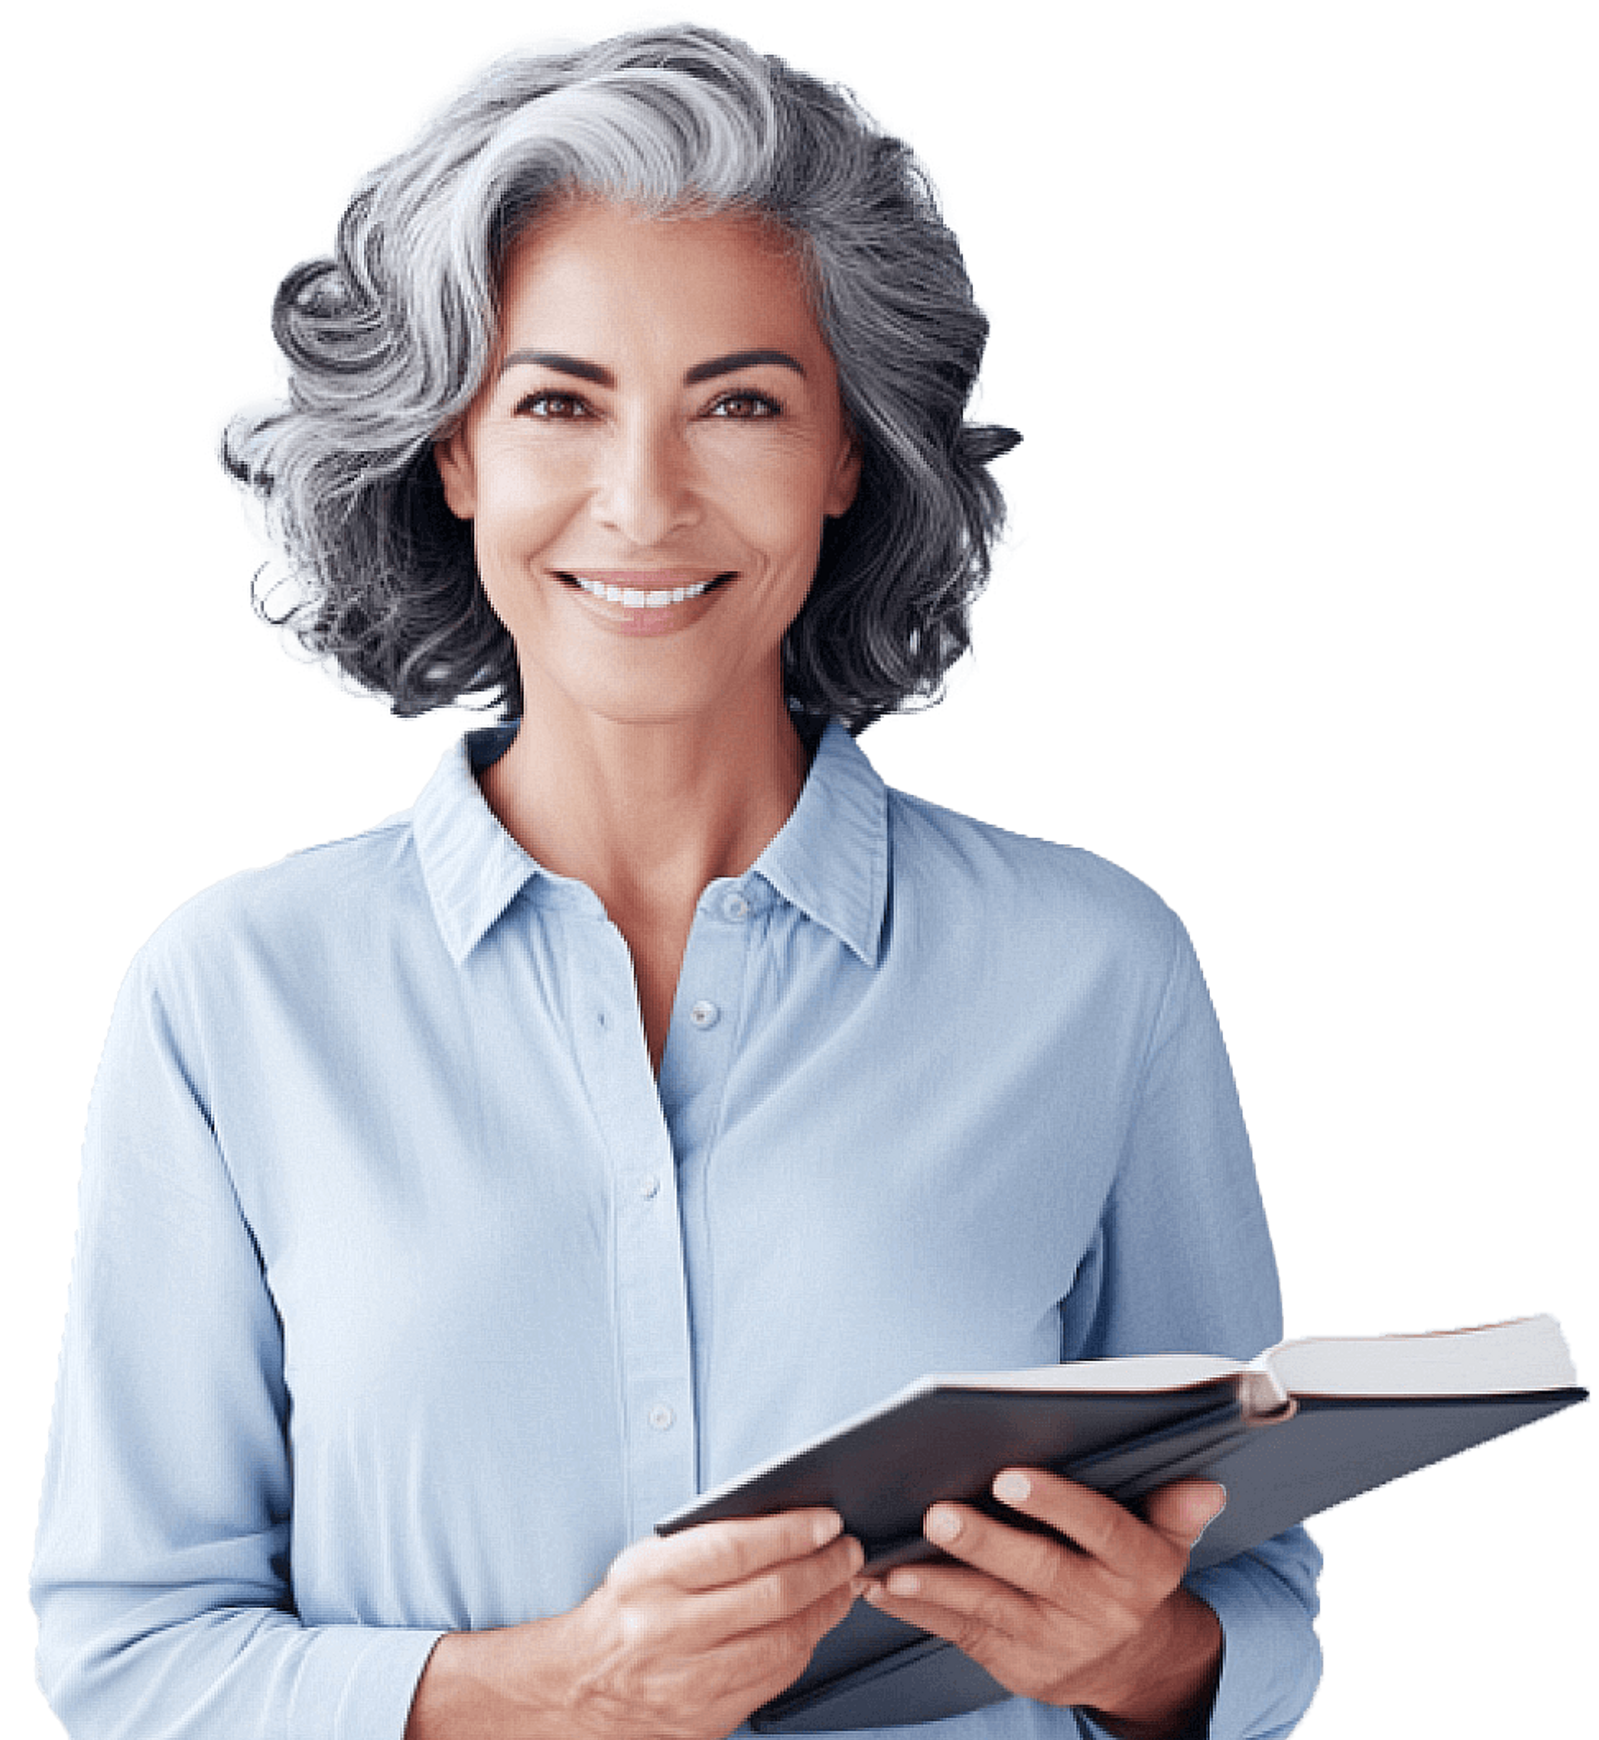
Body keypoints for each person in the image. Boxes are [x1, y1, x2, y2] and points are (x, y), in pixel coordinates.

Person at [28, 11, 1325, 1738]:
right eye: (559, 402)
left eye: (740, 402)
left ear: (848, 454)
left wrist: (1146, 1664)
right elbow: (124, 1663)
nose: (642, 501)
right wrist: (550, 1694)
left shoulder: (1095, 965)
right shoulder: (235, 991)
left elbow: (1258, 1615)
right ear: (455, 452)